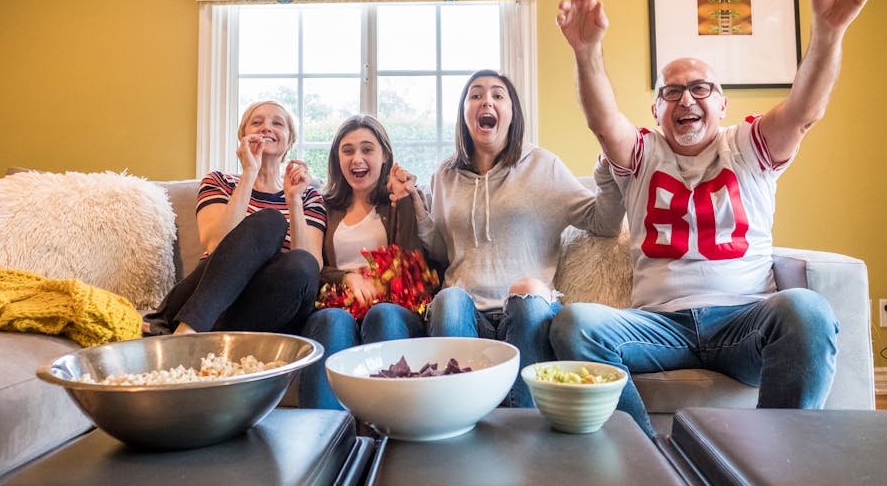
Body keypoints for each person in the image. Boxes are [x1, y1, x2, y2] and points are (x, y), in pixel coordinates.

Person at [550, 0, 880, 436]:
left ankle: (771, 458)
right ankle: (648, 455)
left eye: (700, 88)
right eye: (672, 91)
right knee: (574, 324)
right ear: (656, 110)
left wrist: (829, 30)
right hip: (658, 327)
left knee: (808, 311)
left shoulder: (748, 146)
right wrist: (587, 51)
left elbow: (804, 111)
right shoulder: (642, 154)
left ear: (722, 104)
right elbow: (603, 121)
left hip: (744, 319)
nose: (686, 100)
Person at [393, 69, 625, 407]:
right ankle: (458, 417)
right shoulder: (445, 175)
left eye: (498, 95)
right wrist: (420, 208)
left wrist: (606, 172)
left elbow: (602, 223)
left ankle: (524, 426)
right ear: (465, 114)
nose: (486, 100)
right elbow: (443, 250)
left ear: (512, 113)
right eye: (476, 94)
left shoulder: (543, 166)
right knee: (449, 298)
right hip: (467, 315)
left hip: (527, 314)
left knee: (528, 288)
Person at [143, 101, 325, 336]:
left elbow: (311, 267)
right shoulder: (219, 181)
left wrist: (294, 201)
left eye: (277, 123)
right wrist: (249, 173)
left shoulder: (308, 194)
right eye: (257, 122)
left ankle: (202, 337)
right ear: (242, 137)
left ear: (290, 141)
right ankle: (188, 332)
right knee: (270, 222)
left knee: (300, 263)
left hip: (268, 307)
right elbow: (215, 244)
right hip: (210, 301)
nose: (266, 128)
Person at [298, 115, 430, 409]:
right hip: (337, 305)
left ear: (384, 156)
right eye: (348, 150)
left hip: (392, 307)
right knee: (333, 320)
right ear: (337, 159)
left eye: (367, 149)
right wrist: (348, 278)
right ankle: (323, 437)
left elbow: (414, 265)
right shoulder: (324, 205)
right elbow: (310, 267)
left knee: (384, 314)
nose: (357, 158)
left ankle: (394, 431)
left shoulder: (399, 200)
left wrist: (405, 200)